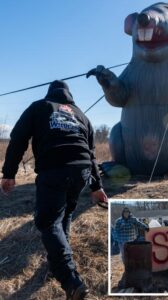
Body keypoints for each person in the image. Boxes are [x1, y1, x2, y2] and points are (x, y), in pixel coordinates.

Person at [1, 80, 108, 300]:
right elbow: (91, 154)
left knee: (47, 221)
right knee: (64, 215)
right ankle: (56, 263)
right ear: (68, 95)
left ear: (50, 93)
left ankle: (70, 280)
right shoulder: (82, 116)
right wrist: (96, 186)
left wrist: (9, 173)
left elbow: (18, 139)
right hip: (81, 171)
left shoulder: (39, 107)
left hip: (55, 169)